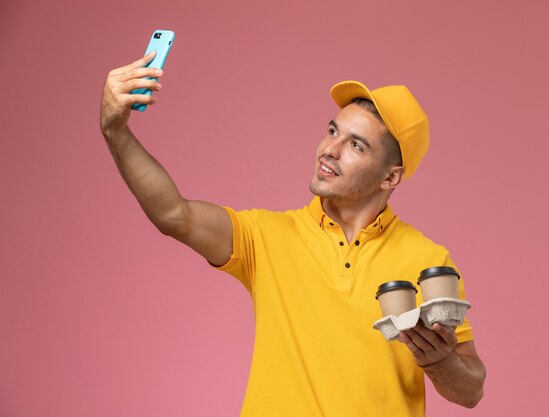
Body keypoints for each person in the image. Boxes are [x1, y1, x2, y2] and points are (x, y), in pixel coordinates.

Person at [100, 52, 486, 417]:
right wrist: (115, 130)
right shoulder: (266, 237)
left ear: (391, 177)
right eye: (333, 130)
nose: (329, 150)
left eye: (356, 145)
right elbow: (172, 213)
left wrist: (440, 361)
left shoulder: (428, 260)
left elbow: (470, 391)